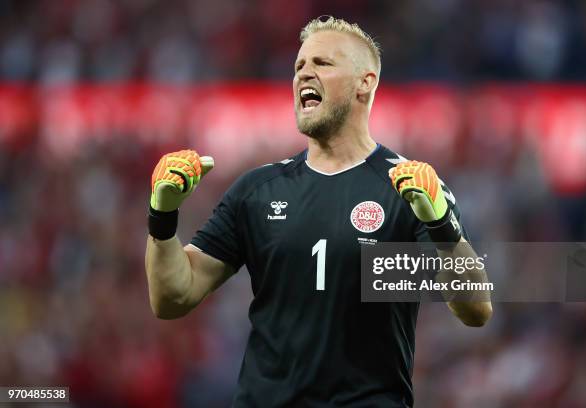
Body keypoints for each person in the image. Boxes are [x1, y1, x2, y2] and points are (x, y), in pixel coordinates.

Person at [145, 16, 492, 408]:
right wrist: (162, 216)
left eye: (323, 64)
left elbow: (474, 307)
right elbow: (173, 297)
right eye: (299, 66)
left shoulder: (407, 187)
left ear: (366, 83)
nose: (304, 74)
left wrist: (441, 224)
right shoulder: (258, 192)